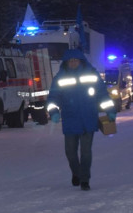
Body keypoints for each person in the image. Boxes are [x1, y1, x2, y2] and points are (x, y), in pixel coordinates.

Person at [46, 49, 116, 191]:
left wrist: (110, 110)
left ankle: (85, 179)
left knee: (85, 152)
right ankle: (76, 173)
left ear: (81, 61)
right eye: (70, 61)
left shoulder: (92, 75)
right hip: (70, 120)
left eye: (75, 60)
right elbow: (53, 98)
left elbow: (102, 95)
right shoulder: (60, 78)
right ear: (66, 62)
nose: (73, 63)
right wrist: (53, 111)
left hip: (88, 119)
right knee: (70, 152)